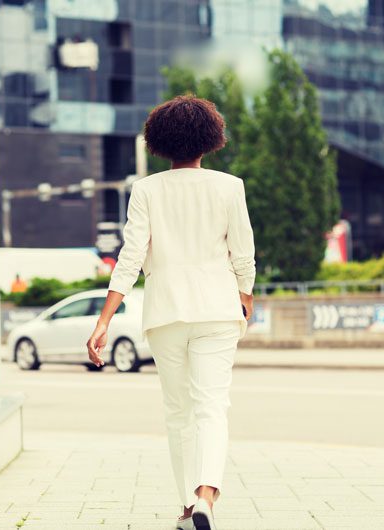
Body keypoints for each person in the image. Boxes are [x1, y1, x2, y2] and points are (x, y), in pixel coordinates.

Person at [86, 95, 256, 530]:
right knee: (211, 407)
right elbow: (244, 251)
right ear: (210, 138)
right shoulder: (229, 186)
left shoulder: (146, 190)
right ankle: (205, 498)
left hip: (165, 313)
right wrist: (246, 294)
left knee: (178, 412)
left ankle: (186, 506)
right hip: (218, 309)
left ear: (160, 142)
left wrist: (105, 319)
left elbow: (130, 256)